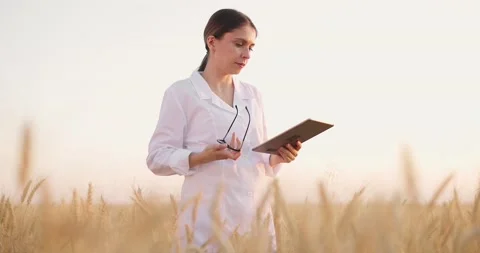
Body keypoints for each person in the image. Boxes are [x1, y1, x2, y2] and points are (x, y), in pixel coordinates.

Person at [146, 8, 302, 252]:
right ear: (212, 42)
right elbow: (156, 158)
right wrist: (200, 157)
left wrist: (278, 156)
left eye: (251, 47)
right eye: (239, 44)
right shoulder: (182, 93)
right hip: (205, 224)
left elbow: (258, 158)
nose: (246, 54)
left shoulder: (253, 95)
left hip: (254, 219)